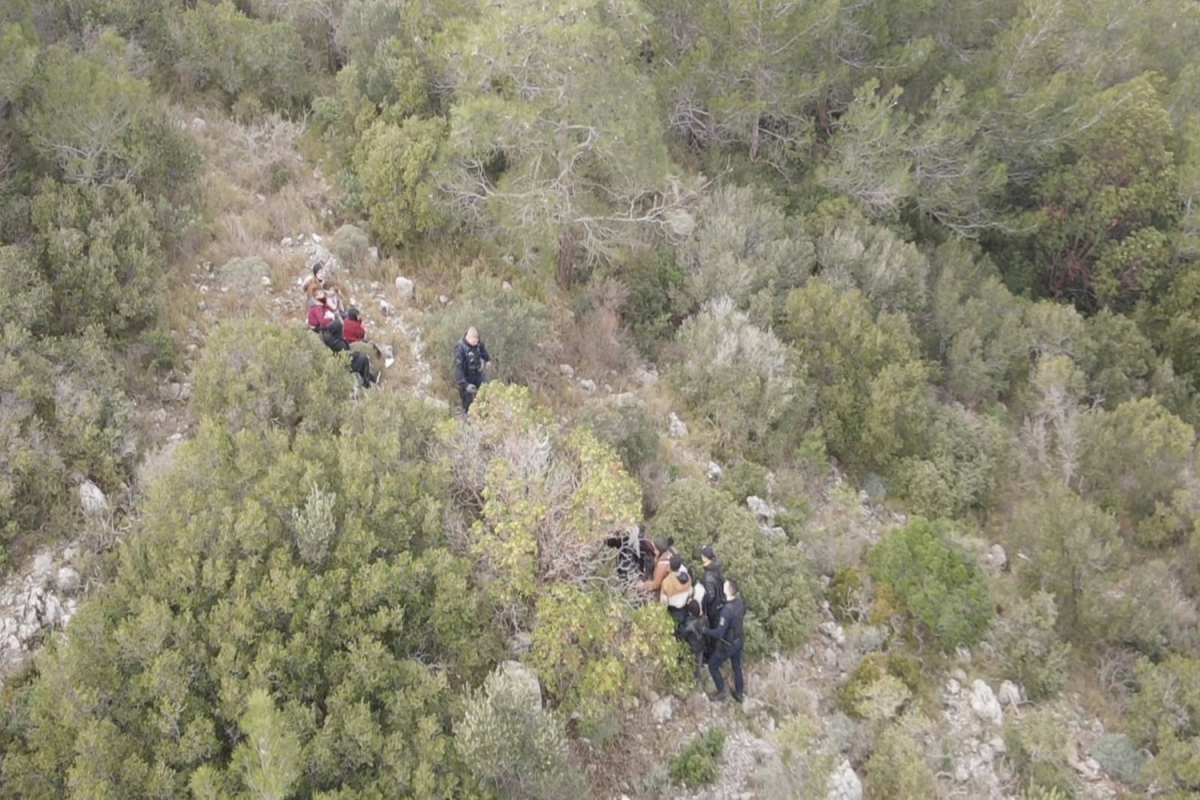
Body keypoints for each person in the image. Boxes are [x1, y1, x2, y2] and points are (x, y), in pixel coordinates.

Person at [704, 578, 745, 703]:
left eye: (725, 585)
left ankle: (721, 691)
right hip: (739, 640)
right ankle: (739, 693)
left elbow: (718, 633)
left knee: (712, 665)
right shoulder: (739, 603)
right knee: (737, 667)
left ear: (728, 591)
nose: (723, 585)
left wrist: (705, 630)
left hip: (728, 644)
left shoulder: (726, 611)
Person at [453, 327, 491, 413]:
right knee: (468, 402)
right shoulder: (460, 349)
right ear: (469, 338)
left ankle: (486, 410)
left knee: (487, 383)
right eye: (474, 342)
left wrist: (487, 359)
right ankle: (468, 418)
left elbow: (482, 350)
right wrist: (465, 385)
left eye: (477, 342)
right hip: (465, 378)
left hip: (476, 374)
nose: (476, 344)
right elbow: (458, 370)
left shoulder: (477, 343)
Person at [699, 546, 725, 621]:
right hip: (720, 598)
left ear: (705, 558)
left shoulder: (708, 577)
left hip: (713, 607)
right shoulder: (716, 565)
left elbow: (710, 596)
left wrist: (703, 600)